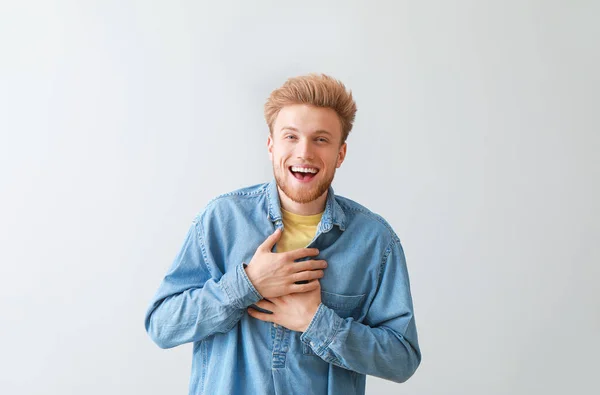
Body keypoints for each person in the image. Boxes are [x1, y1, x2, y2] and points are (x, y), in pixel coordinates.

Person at [144, 73, 421, 395]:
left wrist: (318, 323)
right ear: (271, 146)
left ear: (340, 154)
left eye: (321, 139)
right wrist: (246, 284)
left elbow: (402, 360)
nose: (304, 152)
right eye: (291, 137)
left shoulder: (374, 241)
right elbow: (162, 327)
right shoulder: (221, 220)